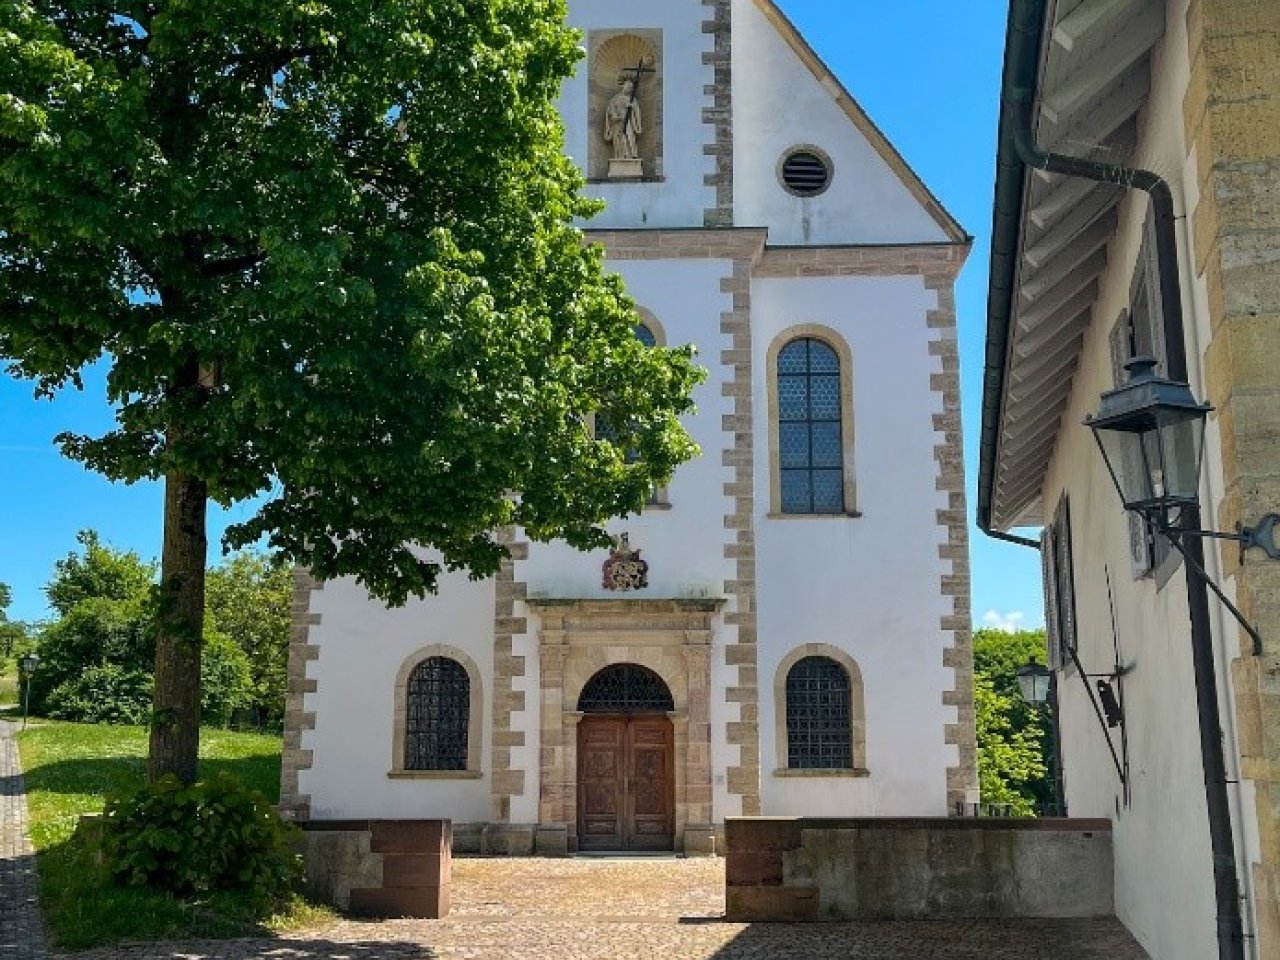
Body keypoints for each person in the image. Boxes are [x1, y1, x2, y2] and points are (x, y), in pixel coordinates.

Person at [604, 79, 642, 161]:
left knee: (629, 137)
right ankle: (620, 157)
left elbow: (637, 113)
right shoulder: (615, 99)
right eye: (627, 85)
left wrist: (638, 125)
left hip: (629, 123)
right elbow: (610, 111)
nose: (629, 88)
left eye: (631, 87)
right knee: (620, 140)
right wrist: (615, 117)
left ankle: (630, 156)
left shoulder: (632, 100)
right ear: (623, 85)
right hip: (617, 124)